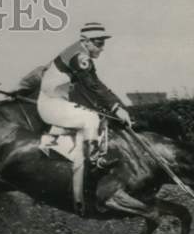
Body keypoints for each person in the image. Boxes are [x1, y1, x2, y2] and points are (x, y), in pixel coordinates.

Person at [37, 22, 133, 215]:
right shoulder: (80, 56)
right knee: (91, 119)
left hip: (56, 101)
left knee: (94, 118)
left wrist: (117, 106)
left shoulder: (79, 54)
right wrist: (117, 108)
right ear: (85, 41)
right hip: (51, 105)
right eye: (98, 43)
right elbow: (93, 87)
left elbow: (96, 84)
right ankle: (94, 164)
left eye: (103, 43)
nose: (102, 48)